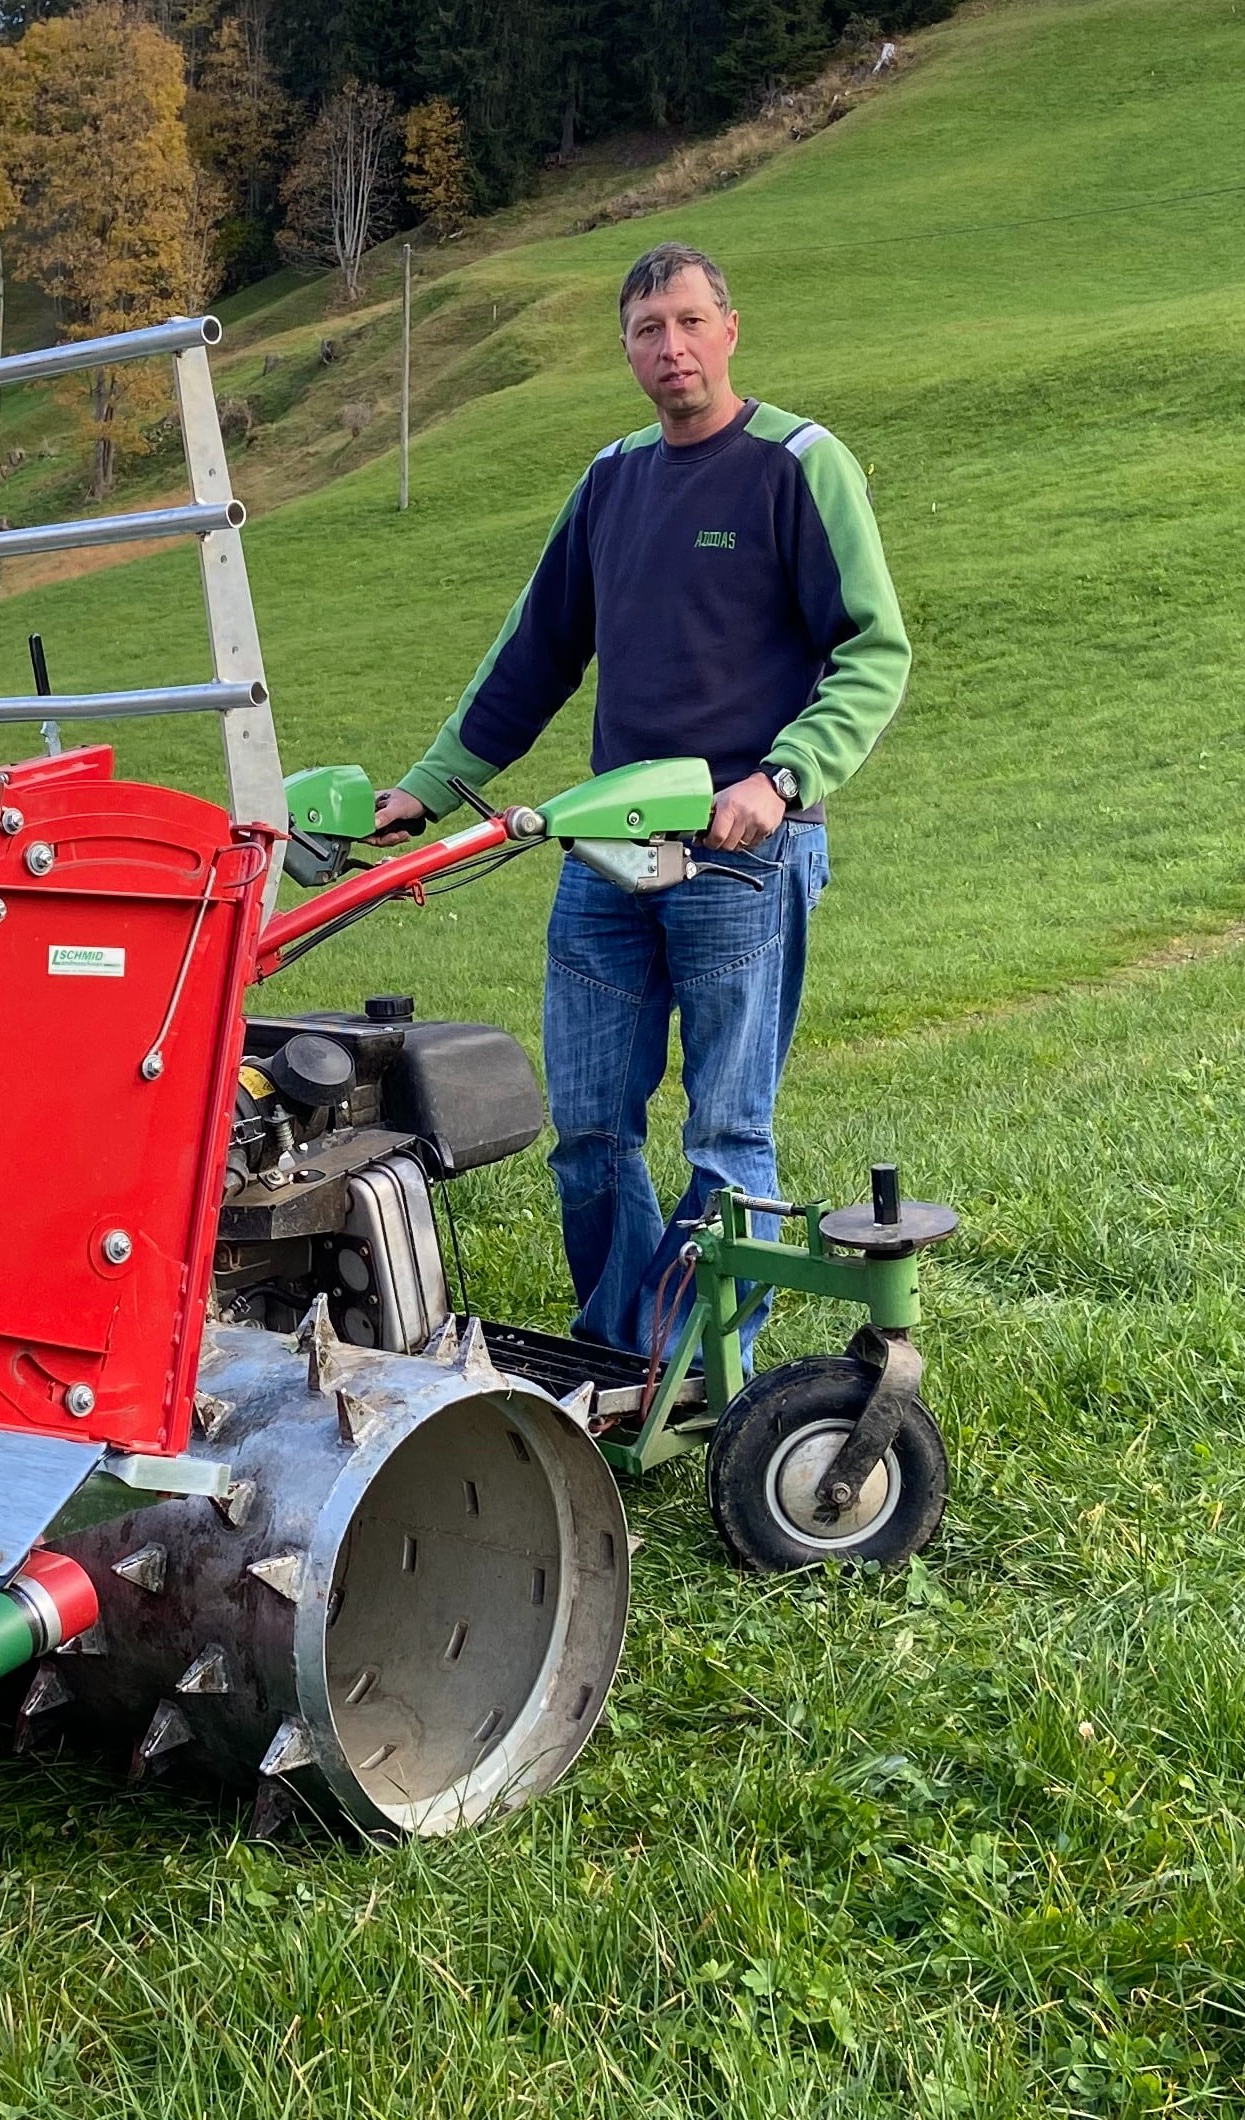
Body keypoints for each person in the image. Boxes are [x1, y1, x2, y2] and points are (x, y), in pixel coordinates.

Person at [371, 241, 911, 1354]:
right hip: (610, 855)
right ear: (624, 348)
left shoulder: (798, 465)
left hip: (741, 852)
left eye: (688, 321)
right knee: (589, 1133)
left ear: (730, 327)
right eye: (645, 330)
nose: (671, 348)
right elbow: (534, 655)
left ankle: (705, 1366)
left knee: (725, 1131)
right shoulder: (612, 480)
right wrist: (426, 791)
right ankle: (618, 1358)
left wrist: (782, 777)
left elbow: (873, 651)